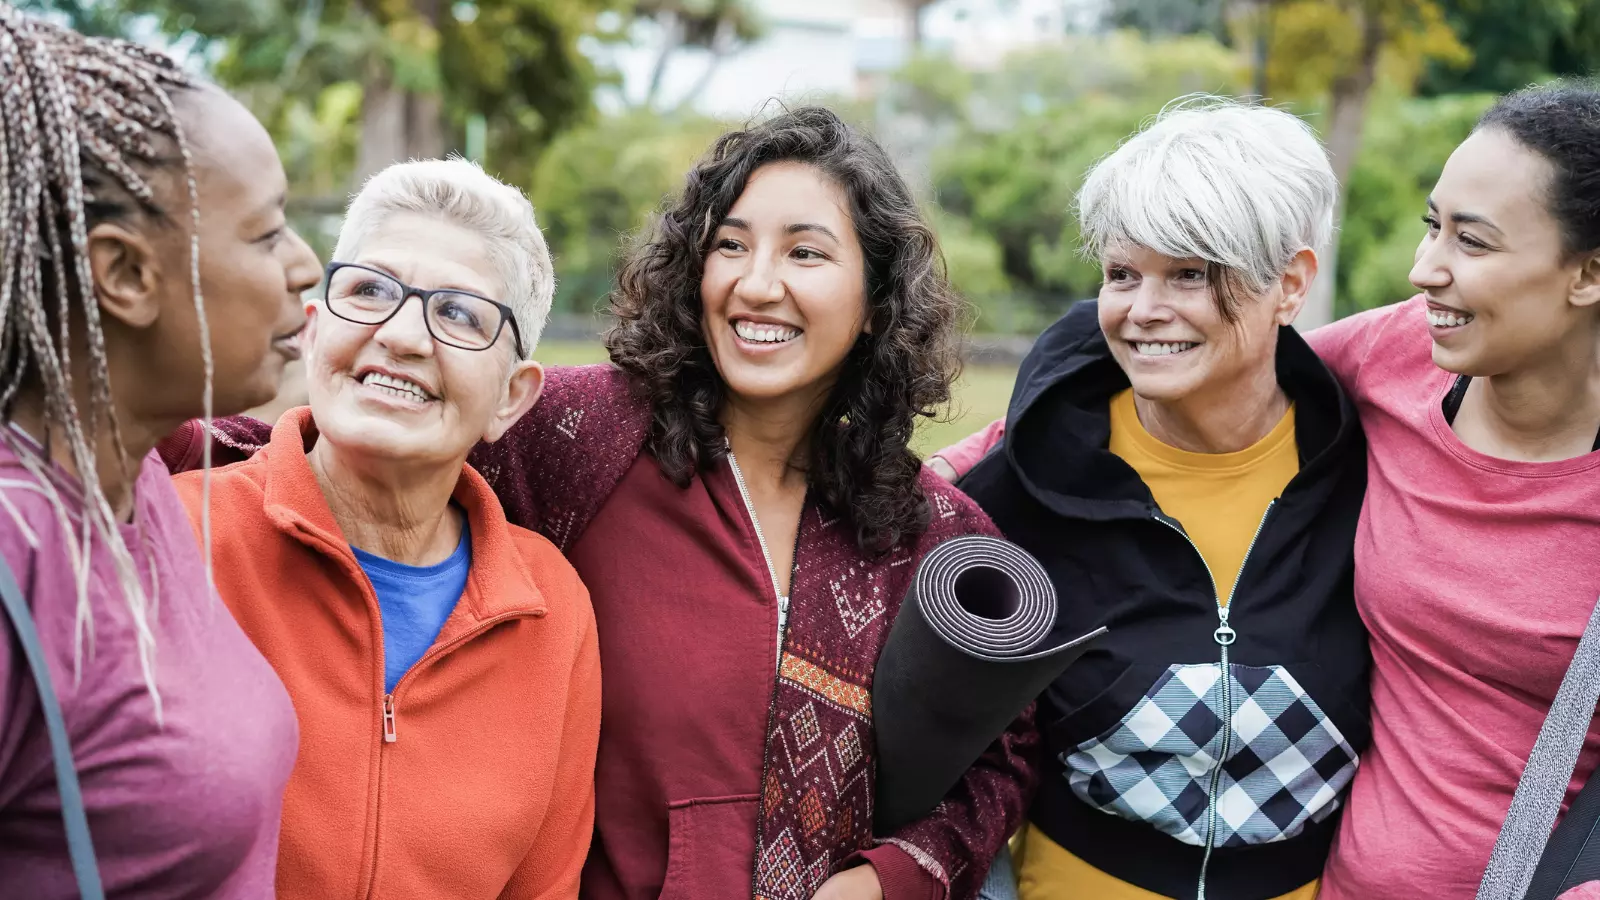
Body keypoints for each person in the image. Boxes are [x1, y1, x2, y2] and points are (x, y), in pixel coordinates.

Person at [166, 106, 1034, 900]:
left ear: (878, 303)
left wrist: (886, 881)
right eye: (730, 245)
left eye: (805, 253)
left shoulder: (919, 528)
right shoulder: (588, 434)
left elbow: (1004, 753)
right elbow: (380, 433)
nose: (757, 284)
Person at [931, 97, 1370, 899]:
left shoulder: (1374, 474)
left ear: (1290, 283)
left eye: (1190, 275)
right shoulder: (1016, 487)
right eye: (1121, 273)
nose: (1143, 311)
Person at [160, 158, 601, 900]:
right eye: (369, 291)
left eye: (459, 313)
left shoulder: (553, 610)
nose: (400, 336)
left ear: (513, 398)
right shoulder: (173, 536)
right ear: (312, 332)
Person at [0, 6, 321, 898]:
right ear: (125, 275)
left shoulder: (133, 478)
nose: (306, 266)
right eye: (265, 233)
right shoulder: (17, 547)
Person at [1303, 82, 1600, 900]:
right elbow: (1218, 388)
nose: (1423, 269)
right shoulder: (1395, 354)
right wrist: (937, 486)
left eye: (1472, 242)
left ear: (1589, 274)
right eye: (1433, 225)